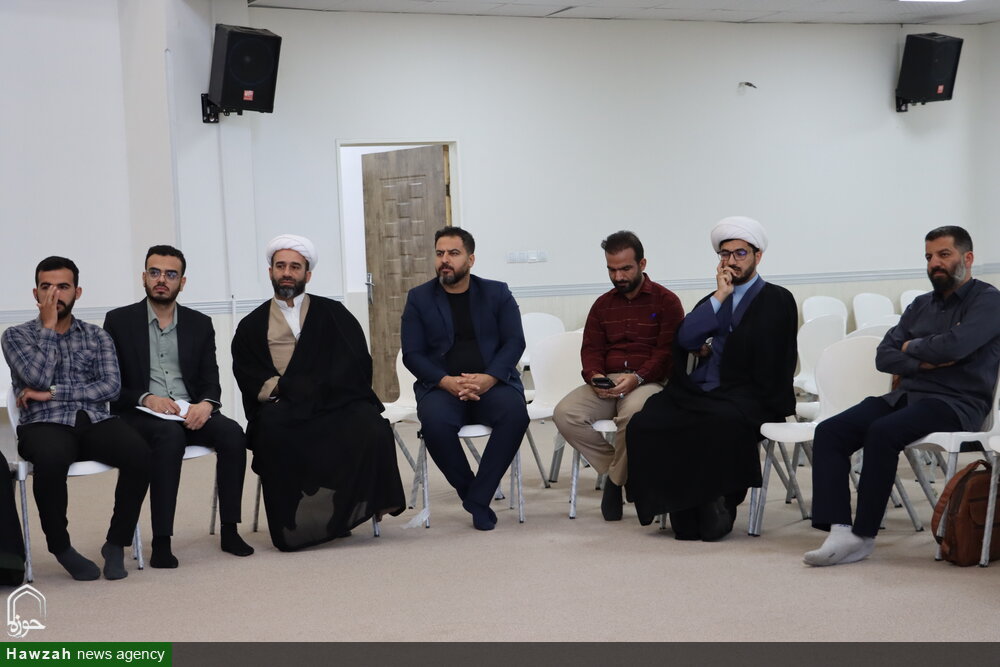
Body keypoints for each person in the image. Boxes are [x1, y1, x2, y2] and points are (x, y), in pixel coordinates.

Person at [805, 226, 1000, 566]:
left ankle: (863, 536)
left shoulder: (989, 301)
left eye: (944, 254)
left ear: (967, 258)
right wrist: (926, 358)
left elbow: (956, 346)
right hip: (907, 397)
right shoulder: (920, 305)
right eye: (929, 257)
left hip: (957, 402)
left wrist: (911, 348)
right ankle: (840, 530)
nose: (934, 263)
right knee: (830, 431)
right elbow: (884, 355)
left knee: (883, 432)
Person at [626, 217, 797, 541]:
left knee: (717, 423)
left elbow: (771, 355)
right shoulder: (713, 300)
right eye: (725, 254)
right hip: (704, 389)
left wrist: (725, 343)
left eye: (740, 253)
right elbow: (686, 338)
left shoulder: (777, 298)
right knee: (647, 421)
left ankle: (720, 502)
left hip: (751, 392)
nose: (731, 261)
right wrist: (720, 296)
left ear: (758, 256)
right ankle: (679, 506)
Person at [231, 235, 405, 551]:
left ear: (307, 275)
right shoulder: (252, 325)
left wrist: (322, 388)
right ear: (270, 271)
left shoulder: (333, 313)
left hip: (333, 400)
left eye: (295, 267)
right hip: (285, 404)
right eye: (281, 266)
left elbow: (356, 360)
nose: (287, 273)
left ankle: (350, 508)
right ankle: (291, 522)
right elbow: (248, 371)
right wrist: (286, 387)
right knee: (271, 429)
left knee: (370, 424)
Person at [103, 245, 253, 568]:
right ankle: (162, 541)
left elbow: (211, 379)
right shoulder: (119, 321)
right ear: (144, 277)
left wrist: (206, 405)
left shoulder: (200, 323)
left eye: (171, 274)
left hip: (189, 410)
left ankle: (229, 529)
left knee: (232, 434)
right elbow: (111, 385)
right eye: (155, 272)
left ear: (182, 282)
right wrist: (147, 398)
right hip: (142, 414)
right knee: (169, 437)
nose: (162, 280)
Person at [1, 257, 150, 580]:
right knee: (51, 458)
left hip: (94, 420)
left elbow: (110, 387)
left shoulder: (97, 336)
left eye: (63, 287)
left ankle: (116, 543)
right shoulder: (15, 336)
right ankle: (62, 548)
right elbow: (36, 378)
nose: (54, 294)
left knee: (139, 453)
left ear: (77, 292)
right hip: (44, 423)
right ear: (35, 293)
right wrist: (48, 328)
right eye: (46, 287)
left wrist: (53, 392)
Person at [401, 227, 529, 531]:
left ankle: (478, 498)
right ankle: (472, 493)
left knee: (515, 414)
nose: (445, 260)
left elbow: (514, 341)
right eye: (440, 253)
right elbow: (413, 354)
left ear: (470, 259)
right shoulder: (419, 298)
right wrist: (446, 381)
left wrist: (490, 377)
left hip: (491, 384)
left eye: (453, 253)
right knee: (434, 424)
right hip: (442, 387)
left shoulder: (497, 293)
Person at [552, 231, 684, 520]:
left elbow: (667, 353)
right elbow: (591, 349)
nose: (618, 276)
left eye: (625, 269)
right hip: (608, 380)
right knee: (564, 414)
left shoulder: (667, 301)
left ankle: (613, 484)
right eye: (611, 270)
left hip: (648, 381)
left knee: (634, 414)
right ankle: (621, 472)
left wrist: (638, 377)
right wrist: (595, 376)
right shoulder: (602, 305)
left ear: (642, 264)